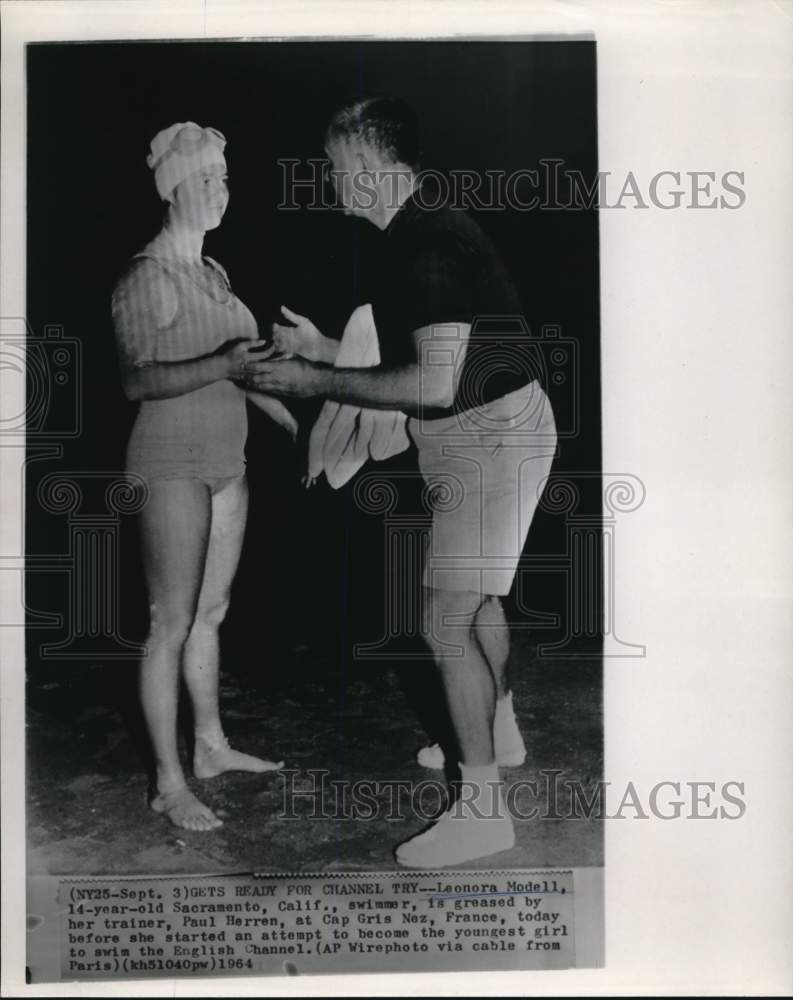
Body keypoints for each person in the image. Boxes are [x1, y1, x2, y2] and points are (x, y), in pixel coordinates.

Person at [245, 97, 557, 867]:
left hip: (485, 434)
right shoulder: (415, 232)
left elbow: (431, 383)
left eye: (333, 166)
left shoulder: (428, 244)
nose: (328, 180)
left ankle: (482, 810)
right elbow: (417, 353)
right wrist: (321, 345)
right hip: (490, 428)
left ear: (366, 165)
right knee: (474, 599)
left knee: (443, 619)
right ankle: (501, 729)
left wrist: (316, 378)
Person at [112, 122, 291, 832]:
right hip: (169, 464)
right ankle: (167, 779)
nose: (221, 192)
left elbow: (241, 370)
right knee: (169, 623)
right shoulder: (144, 276)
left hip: (227, 462)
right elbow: (134, 380)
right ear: (172, 190)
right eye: (207, 181)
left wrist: (294, 423)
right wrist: (223, 364)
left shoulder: (212, 274)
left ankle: (211, 747)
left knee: (211, 616)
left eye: (224, 179)